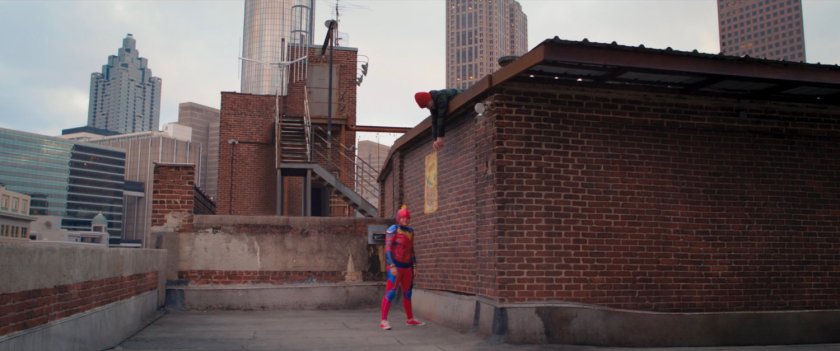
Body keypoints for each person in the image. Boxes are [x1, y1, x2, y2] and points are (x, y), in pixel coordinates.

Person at [379, 205, 425, 330]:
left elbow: (411, 250)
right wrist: (391, 265)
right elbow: (387, 249)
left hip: (407, 267)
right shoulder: (392, 229)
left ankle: (410, 319)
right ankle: (383, 320)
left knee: (408, 293)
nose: (405, 220)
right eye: (403, 217)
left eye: (407, 217)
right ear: (399, 218)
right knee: (390, 293)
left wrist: (414, 266)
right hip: (395, 267)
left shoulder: (410, 231)